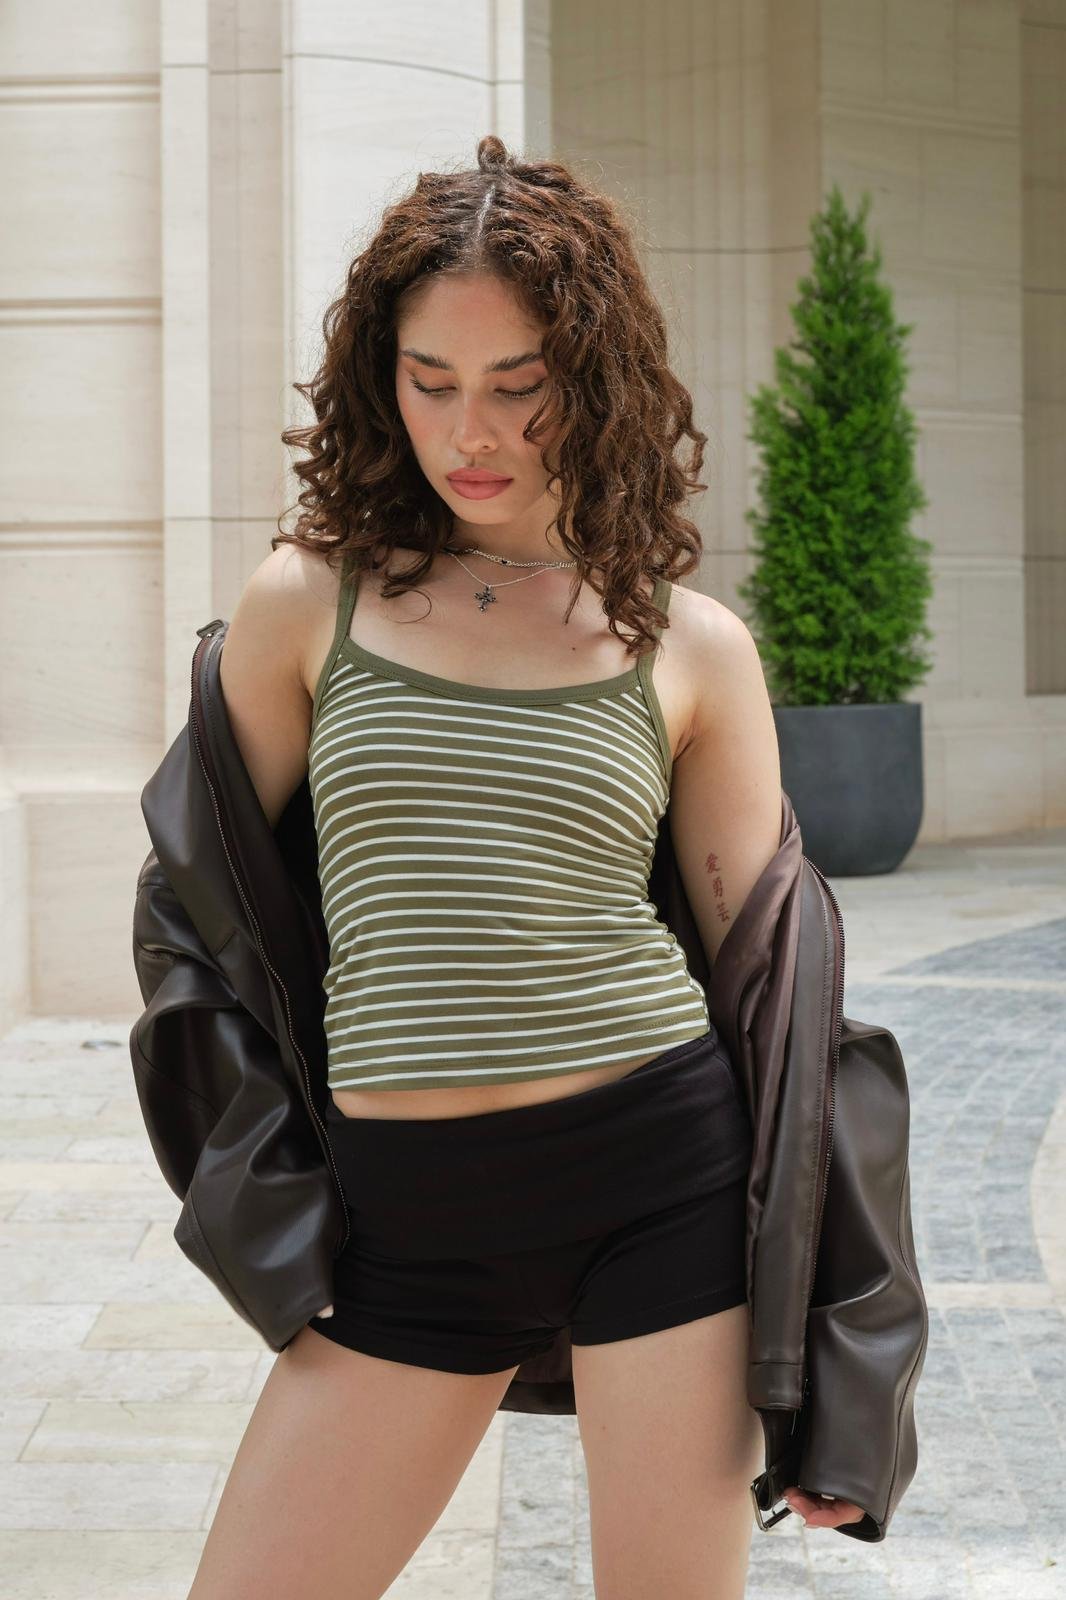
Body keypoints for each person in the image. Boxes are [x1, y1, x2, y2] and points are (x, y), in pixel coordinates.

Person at [184, 134, 862, 1600]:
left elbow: (785, 1007)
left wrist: (839, 1359)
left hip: (658, 1182)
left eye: (516, 385)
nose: (468, 431)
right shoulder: (307, 601)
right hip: (405, 1214)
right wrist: (262, 1180)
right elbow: (204, 916)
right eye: (430, 381)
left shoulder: (688, 645)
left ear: (594, 383)